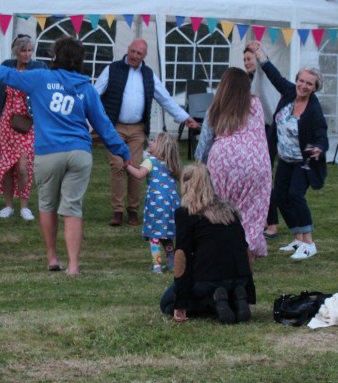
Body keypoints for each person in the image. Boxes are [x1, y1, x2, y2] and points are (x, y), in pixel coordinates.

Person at [0, 36, 131, 276]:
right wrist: (123, 152)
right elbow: (104, 126)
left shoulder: (40, 78)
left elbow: (6, 75)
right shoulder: (86, 88)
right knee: (73, 207)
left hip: (48, 153)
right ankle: (74, 265)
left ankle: (52, 257)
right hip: (79, 152)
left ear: (55, 57)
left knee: (47, 205)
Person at [95, 38, 199, 227]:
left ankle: (133, 210)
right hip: (114, 127)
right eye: (132, 51)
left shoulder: (149, 75)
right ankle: (117, 211)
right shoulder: (112, 69)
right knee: (117, 166)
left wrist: (185, 118)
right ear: (127, 49)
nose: (134, 56)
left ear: (144, 56)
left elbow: (166, 99)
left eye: (139, 53)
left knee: (135, 166)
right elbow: (95, 93)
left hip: (137, 128)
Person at [247, 41, 329, 261]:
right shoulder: (290, 92)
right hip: (285, 158)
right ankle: (298, 238)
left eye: (309, 84)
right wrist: (260, 53)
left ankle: (309, 243)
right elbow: (274, 76)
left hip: (304, 161)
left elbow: (321, 134)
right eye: (301, 81)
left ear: (315, 88)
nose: (303, 86)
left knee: (295, 195)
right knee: (280, 196)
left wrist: (319, 148)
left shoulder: (314, 110)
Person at [159, 163, 256, 324]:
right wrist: (249, 292)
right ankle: (237, 297)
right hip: (240, 278)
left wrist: (181, 302)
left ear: (186, 184)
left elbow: (182, 256)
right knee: (226, 282)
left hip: (209, 278)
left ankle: (212, 301)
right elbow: (244, 250)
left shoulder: (186, 213)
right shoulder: (230, 210)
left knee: (167, 304)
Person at [193, 67, 272, 260]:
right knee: (251, 214)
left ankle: (222, 252)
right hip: (256, 162)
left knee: (222, 211)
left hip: (224, 162)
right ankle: (247, 256)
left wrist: (200, 165)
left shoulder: (215, 109)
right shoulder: (256, 105)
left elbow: (203, 146)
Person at [0, 34, 46, 220]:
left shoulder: (39, 67)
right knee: (6, 165)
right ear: (16, 51)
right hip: (7, 122)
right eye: (23, 50)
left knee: (23, 166)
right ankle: (8, 206)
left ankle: (24, 206)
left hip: (28, 124)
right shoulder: (7, 66)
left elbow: (48, 88)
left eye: (30, 50)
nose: (27, 54)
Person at [125, 132, 182, 274]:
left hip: (156, 203)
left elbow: (139, 174)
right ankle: (171, 263)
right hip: (172, 204)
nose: (150, 142)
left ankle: (156, 265)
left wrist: (127, 166)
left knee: (154, 234)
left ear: (161, 147)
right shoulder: (172, 164)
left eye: (154, 141)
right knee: (166, 234)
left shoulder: (150, 161)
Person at [244, 44, 280, 239]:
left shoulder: (263, 75)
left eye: (249, 59)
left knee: (265, 177)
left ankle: (272, 224)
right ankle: (264, 220)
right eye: (244, 60)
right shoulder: (251, 80)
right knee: (258, 176)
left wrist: (258, 51)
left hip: (271, 129)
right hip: (259, 131)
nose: (246, 62)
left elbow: (263, 64)